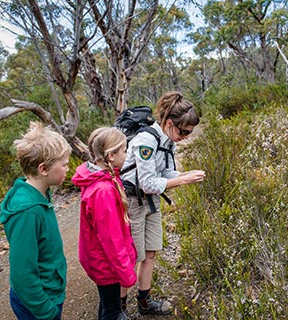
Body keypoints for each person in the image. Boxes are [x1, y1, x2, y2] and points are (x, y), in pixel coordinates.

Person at [120, 91, 206, 315]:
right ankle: (117, 309)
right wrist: (183, 180)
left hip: (151, 201)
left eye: (189, 132)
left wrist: (184, 174)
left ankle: (144, 301)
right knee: (132, 256)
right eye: (184, 131)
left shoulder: (168, 141)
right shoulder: (147, 141)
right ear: (169, 123)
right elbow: (147, 182)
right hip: (134, 200)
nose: (186, 136)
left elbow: (165, 172)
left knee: (150, 253)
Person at [0, 121, 72, 320]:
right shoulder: (27, 212)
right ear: (43, 169)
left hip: (49, 291)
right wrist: (45, 310)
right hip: (39, 303)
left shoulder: (40, 193)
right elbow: (22, 274)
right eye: (64, 165)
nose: (67, 169)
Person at [71, 127, 137, 320]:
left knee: (108, 305)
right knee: (112, 312)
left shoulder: (104, 178)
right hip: (106, 265)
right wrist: (126, 272)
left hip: (104, 262)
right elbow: (111, 238)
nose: (126, 154)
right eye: (123, 150)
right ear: (110, 156)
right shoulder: (103, 190)